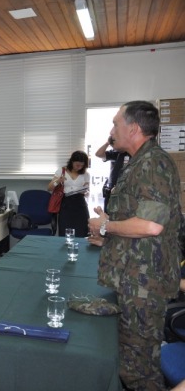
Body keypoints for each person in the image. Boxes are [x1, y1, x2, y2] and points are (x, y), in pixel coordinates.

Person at [88, 101, 181, 391]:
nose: (112, 130)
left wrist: (105, 226)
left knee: (139, 371)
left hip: (144, 285)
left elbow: (151, 226)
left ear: (134, 128)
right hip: (134, 277)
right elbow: (140, 223)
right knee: (130, 363)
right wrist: (110, 235)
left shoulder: (153, 163)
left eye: (116, 123)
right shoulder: (138, 161)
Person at [48, 151, 90, 237]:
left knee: (82, 231)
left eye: (82, 165)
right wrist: (58, 181)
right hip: (66, 204)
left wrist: (86, 191)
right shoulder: (62, 171)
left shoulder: (86, 174)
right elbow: (49, 188)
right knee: (65, 230)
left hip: (80, 204)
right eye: (77, 165)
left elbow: (86, 189)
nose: (79, 167)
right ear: (72, 162)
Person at [95, 136, 130, 212]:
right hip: (111, 192)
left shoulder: (134, 154)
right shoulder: (116, 153)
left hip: (127, 194)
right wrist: (108, 143)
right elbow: (98, 154)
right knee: (108, 219)